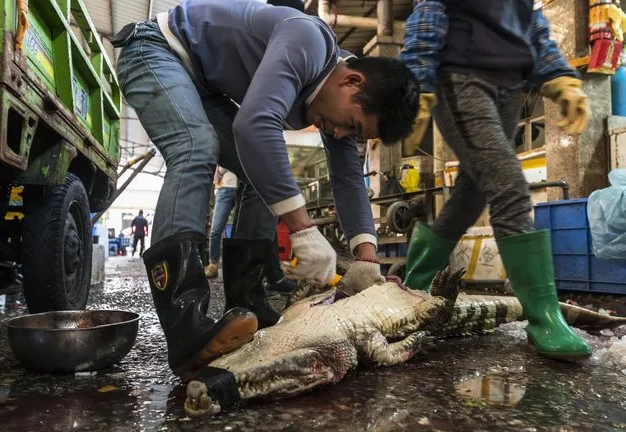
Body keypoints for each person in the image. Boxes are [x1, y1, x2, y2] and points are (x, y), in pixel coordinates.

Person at [113, 0, 419, 379]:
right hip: (155, 50)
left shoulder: (336, 96)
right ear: (352, 81)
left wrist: (366, 259)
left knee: (261, 175)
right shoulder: (306, 39)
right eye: (352, 126)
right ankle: (184, 323)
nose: (340, 135)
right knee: (196, 148)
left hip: (203, 87)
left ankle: (249, 305)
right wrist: (303, 228)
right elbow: (254, 125)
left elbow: (348, 178)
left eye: (353, 134)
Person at [398, 0, 592, 360]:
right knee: (509, 185)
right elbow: (428, 11)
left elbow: (530, 23)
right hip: (461, 78)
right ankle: (544, 317)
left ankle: (413, 287)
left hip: (508, 87)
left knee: (470, 195)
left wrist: (557, 75)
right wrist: (417, 83)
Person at [204, 166, 238, 279]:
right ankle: (213, 264)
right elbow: (221, 168)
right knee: (215, 230)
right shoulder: (221, 148)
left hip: (243, 188)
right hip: (225, 189)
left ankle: (238, 265)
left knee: (240, 230)